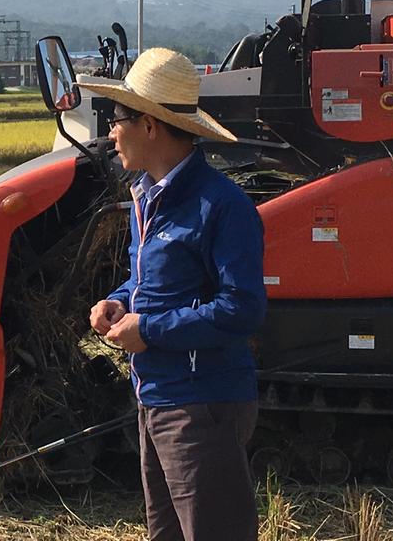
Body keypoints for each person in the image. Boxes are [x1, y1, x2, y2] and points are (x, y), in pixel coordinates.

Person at [82, 48, 266, 541]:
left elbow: (241, 307)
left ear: (149, 126)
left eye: (115, 118)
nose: (109, 132)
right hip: (159, 399)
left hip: (201, 403)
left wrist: (150, 329)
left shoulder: (220, 205)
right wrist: (120, 301)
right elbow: (146, 281)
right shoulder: (150, 198)